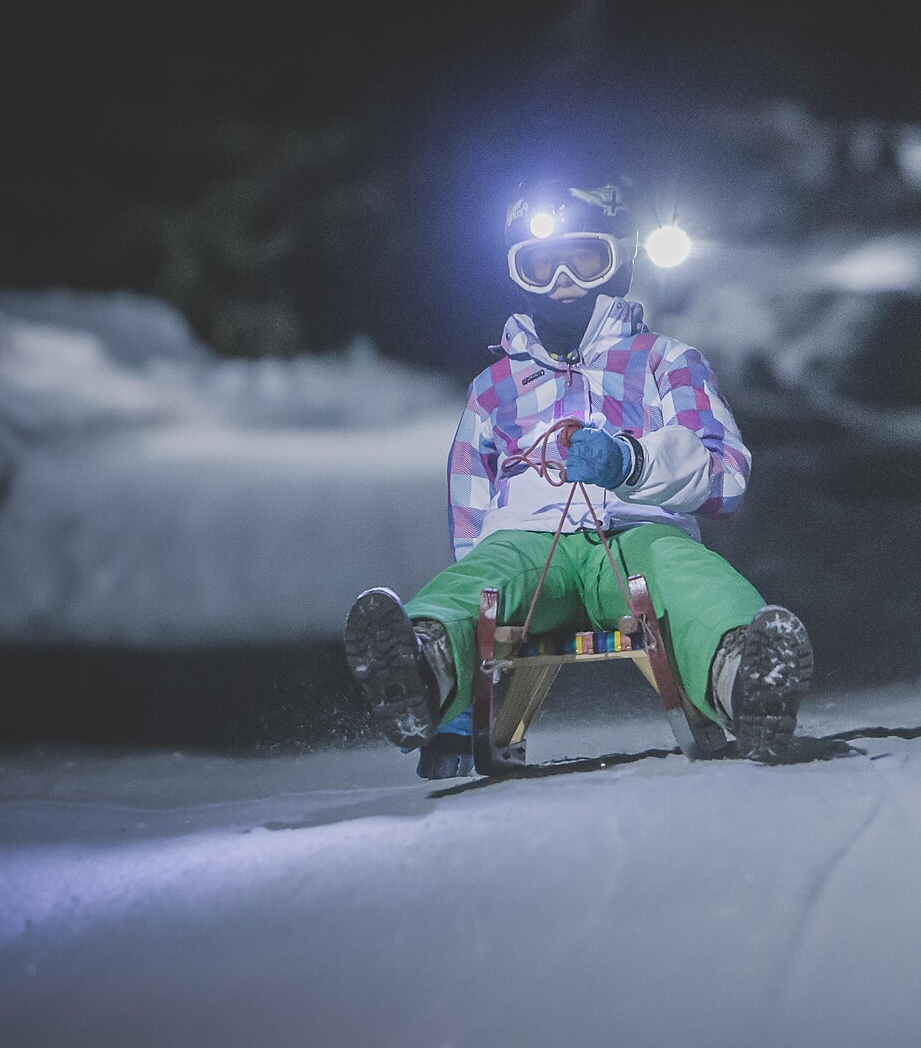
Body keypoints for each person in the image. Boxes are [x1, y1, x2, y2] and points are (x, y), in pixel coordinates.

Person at [344, 177, 813, 765]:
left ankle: (748, 679)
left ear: (620, 261)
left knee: (686, 574)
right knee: (482, 579)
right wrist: (468, 694)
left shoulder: (665, 362)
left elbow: (725, 475)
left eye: (586, 260)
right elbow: (471, 523)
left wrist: (631, 461)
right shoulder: (493, 391)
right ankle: (421, 671)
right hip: (530, 542)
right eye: (539, 266)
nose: (563, 282)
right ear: (517, 275)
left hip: (638, 533)